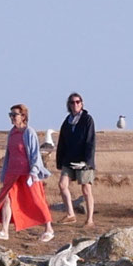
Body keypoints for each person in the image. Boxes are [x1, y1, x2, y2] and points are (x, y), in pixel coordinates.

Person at [0, 103, 56, 242]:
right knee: (7, 200)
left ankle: (49, 229)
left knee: (37, 200)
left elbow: (35, 154)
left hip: (28, 174)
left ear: (23, 116)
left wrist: (34, 171)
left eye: (14, 115)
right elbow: (9, 154)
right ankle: (4, 231)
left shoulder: (29, 132)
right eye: (10, 115)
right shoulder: (12, 133)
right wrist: (4, 174)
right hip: (13, 173)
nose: (12, 117)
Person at [54, 92, 97, 227]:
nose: (75, 104)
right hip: (69, 160)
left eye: (78, 102)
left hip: (84, 161)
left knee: (86, 189)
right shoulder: (67, 121)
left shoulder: (87, 119)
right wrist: (60, 162)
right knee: (62, 185)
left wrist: (87, 162)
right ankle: (70, 214)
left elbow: (90, 141)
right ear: (69, 105)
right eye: (72, 102)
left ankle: (89, 220)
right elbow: (62, 142)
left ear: (82, 103)